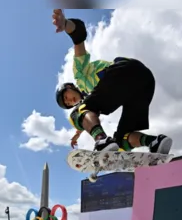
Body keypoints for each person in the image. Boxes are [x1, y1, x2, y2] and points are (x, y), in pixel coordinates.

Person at [53, 9, 173, 154]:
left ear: (70, 86)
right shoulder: (94, 98)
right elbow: (86, 120)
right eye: (68, 103)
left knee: (77, 114)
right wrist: (77, 134)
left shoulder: (80, 76)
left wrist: (66, 24)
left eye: (67, 96)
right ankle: (155, 142)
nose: (70, 101)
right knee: (122, 140)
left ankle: (101, 140)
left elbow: (79, 38)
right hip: (143, 83)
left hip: (124, 71)